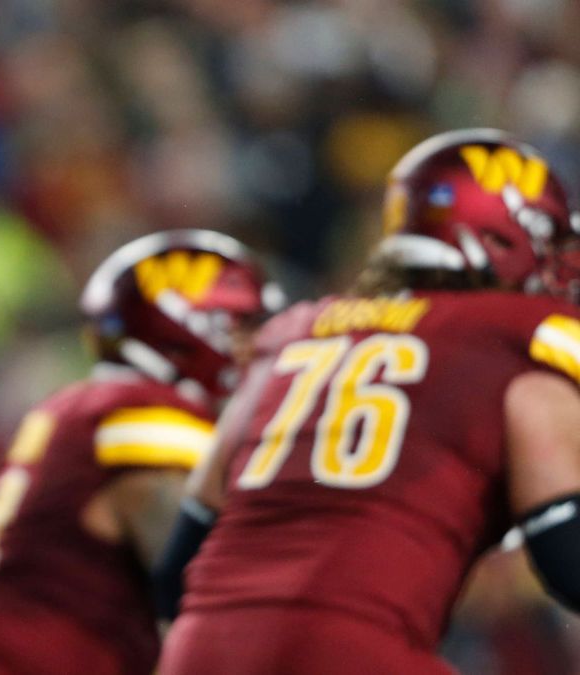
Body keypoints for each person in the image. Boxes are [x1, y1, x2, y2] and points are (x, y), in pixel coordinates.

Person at [156, 129, 580, 674]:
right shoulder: (513, 347)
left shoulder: (291, 339)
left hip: (202, 651)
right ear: (502, 241)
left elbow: (177, 567)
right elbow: (568, 561)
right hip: (350, 651)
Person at [0, 230, 284, 675]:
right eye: (244, 324)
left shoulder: (87, 406)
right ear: (192, 325)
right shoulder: (146, 415)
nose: (259, 345)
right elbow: (207, 592)